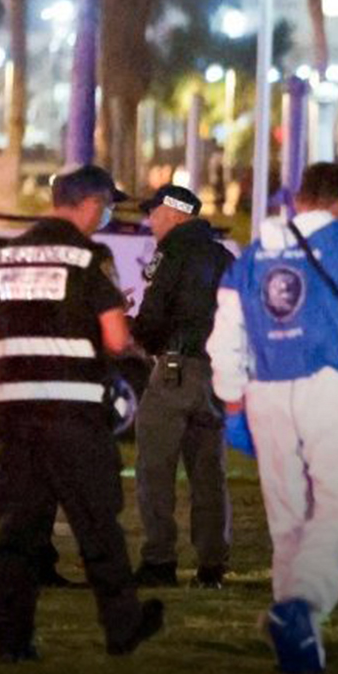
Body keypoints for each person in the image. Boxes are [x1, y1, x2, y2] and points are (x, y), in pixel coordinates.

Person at [206, 163, 338, 674]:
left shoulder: (255, 254)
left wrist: (232, 403)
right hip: (333, 388)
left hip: (267, 393)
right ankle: (301, 606)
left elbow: (226, 333)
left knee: (289, 521)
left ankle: (297, 641)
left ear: (298, 198)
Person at [0, 164, 165, 663]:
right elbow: (115, 338)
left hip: (12, 412)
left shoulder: (5, 255)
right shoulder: (88, 257)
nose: (107, 216)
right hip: (71, 412)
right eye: (107, 207)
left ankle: (12, 639)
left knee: (17, 529)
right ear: (91, 203)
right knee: (97, 522)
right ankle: (123, 626)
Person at [130, 184, 237, 589]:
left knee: (155, 469)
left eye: (154, 213)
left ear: (175, 214)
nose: (150, 221)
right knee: (209, 474)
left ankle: (159, 561)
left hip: (176, 372)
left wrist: (140, 336)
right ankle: (212, 566)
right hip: (217, 376)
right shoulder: (224, 257)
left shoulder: (171, 252)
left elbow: (155, 314)